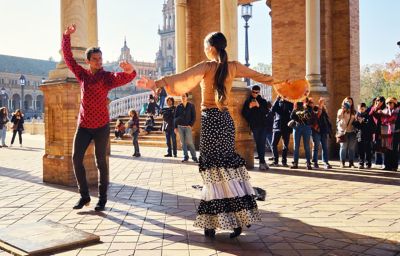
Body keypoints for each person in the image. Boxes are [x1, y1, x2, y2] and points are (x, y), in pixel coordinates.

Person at [137, 32, 276, 238]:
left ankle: (212, 223)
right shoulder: (234, 66)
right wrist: (284, 84)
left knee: (212, 174)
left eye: (205, 45)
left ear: (211, 48)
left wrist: (155, 84)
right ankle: (236, 219)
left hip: (211, 121)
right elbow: (261, 76)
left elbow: (182, 77)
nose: (204, 49)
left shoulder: (207, 66)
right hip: (226, 122)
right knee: (228, 170)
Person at [62, 24, 136, 211]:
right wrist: (66, 36)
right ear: (88, 61)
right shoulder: (83, 75)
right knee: (76, 159)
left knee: (101, 162)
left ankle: (102, 199)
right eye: (95, 59)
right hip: (84, 125)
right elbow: (68, 58)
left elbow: (127, 78)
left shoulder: (107, 77)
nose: (99, 62)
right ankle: (84, 196)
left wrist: (130, 70)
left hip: (102, 126)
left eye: (100, 59)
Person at [242, 85, 270, 170]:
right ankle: (262, 162)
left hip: (263, 126)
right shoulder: (247, 101)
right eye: (253, 92)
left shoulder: (263, 101)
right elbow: (244, 114)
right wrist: (250, 107)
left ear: (259, 92)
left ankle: (263, 161)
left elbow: (266, 112)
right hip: (255, 126)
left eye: (256, 92)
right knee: (259, 143)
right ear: (252, 92)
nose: (254, 94)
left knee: (262, 143)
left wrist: (258, 106)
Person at [290, 98, 316, 170]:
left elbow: (310, 117)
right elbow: (291, 117)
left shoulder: (309, 108)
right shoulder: (297, 106)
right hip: (297, 127)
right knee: (296, 146)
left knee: (307, 146)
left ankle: (308, 163)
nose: (302, 101)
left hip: (306, 127)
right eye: (302, 99)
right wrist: (294, 109)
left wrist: (305, 108)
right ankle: (295, 163)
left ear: (306, 101)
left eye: (304, 100)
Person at [374, 97, 399, 171]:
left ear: (394, 104)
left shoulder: (398, 112)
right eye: (387, 103)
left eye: (391, 103)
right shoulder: (383, 112)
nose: (389, 104)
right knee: (386, 150)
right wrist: (376, 107)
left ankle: (394, 166)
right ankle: (387, 165)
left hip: (395, 133)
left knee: (394, 150)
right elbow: (372, 114)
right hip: (385, 134)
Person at [174, 93, 198, 163]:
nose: (183, 97)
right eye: (182, 96)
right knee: (183, 143)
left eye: (184, 96)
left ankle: (194, 157)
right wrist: (175, 127)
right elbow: (175, 118)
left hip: (187, 127)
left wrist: (190, 125)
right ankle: (186, 156)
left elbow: (194, 116)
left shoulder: (191, 106)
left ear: (187, 97)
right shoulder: (178, 106)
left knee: (190, 142)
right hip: (180, 127)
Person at [270, 96, 293, 167]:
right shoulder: (277, 102)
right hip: (277, 126)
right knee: (273, 144)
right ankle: (275, 161)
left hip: (286, 127)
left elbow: (291, 114)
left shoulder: (290, 103)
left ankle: (284, 161)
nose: (283, 96)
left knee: (285, 145)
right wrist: (277, 99)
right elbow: (272, 110)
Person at [311, 98, 333, 169]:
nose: (323, 104)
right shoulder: (315, 108)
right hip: (316, 131)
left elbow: (327, 122)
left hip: (323, 132)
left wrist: (329, 130)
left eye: (324, 103)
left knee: (325, 147)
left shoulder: (325, 111)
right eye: (322, 102)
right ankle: (315, 162)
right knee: (316, 147)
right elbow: (317, 115)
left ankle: (325, 162)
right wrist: (320, 105)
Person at [353, 103, 375, 169]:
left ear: (365, 108)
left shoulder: (369, 116)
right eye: (359, 109)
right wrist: (359, 122)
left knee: (368, 150)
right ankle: (361, 163)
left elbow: (372, 125)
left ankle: (368, 163)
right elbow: (354, 125)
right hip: (359, 135)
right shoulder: (356, 116)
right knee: (360, 150)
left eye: (362, 109)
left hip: (368, 135)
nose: (361, 110)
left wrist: (373, 133)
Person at [337, 97, 357, 168]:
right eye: (347, 101)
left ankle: (351, 163)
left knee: (351, 148)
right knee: (343, 147)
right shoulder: (341, 110)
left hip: (352, 131)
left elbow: (356, 120)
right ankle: (342, 162)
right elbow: (339, 117)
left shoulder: (354, 111)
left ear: (352, 103)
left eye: (350, 102)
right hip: (343, 131)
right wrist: (343, 110)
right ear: (344, 102)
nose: (349, 103)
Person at [369, 96, 386, 168]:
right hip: (376, 130)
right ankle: (378, 163)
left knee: (383, 146)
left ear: (383, 102)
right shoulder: (373, 108)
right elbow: (370, 114)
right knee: (376, 145)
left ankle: (384, 163)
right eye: (377, 100)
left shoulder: (385, 108)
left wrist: (381, 112)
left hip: (384, 130)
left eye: (380, 101)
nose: (378, 102)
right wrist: (376, 107)